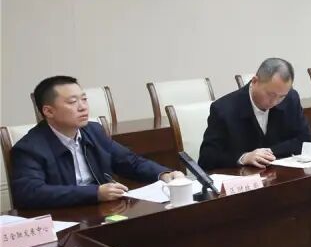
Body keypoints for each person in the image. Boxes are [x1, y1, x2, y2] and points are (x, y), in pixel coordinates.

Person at [11, 76, 184, 209]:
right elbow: (30, 193)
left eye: (84, 99)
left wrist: (163, 174)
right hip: (62, 218)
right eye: (72, 102)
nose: (82, 107)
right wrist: (95, 193)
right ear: (48, 111)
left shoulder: (93, 131)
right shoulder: (29, 148)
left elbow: (129, 161)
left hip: (102, 211)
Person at [199, 58, 311, 170]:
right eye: (270, 94)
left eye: (281, 97)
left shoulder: (290, 98)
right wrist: (243, 157)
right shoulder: (223, 109)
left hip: (281, 174)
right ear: (255, 81)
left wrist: (268, 153)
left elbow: (306, 140)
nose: (274, 102)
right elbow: (207, 157)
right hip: (243, 177)